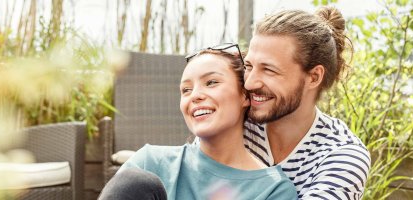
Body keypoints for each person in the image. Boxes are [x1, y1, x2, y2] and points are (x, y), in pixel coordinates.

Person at [99, 44, 298, 200]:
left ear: (245, 96)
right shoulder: (150, 162)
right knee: (135, 182)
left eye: (211, 82)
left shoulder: (273, 190)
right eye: (186, 90)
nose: (195, 96)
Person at [242, 7, 371, 199]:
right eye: (249, 66)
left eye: (269, 70)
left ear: (313, 77)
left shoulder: (342, 154)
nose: (250, 82)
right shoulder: (234, 123)